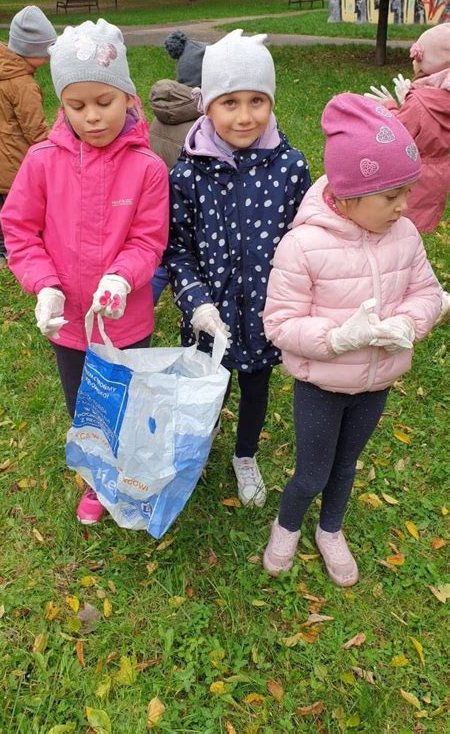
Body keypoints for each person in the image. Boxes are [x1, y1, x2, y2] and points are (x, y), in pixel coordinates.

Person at [262, 93, 441, 585]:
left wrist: (411, 321)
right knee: (313, 471)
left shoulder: (404, 235)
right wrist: (339, 338)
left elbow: (428, 292)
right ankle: (287, 524)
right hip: (320, 387)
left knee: (346, 466)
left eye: (406, 192)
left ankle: (331, 530)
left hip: (374, 383)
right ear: (347, 196)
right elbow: (279, 323)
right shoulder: (303, 246)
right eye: (392, 196)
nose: (404, 206)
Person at [0, 19, 169, 525]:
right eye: (77, 106)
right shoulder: (42, 162)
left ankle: (130, 469)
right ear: (62, 104)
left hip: (127, 319)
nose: (92, 117)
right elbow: (20, 232)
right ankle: (97, 479)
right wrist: (44, 286)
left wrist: (121, 277)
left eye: (104, 102)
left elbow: (147, 240)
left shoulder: (147, 169)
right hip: (70, 325)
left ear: (128, 96)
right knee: (85, 407)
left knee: (125, 397)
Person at [164, 29, 312, 507]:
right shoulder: (188, 172)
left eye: (256, 101)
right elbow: (176, 248)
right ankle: (195, 451)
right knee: (206, 389)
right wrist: (197, 302)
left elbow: (305, 240)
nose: (245, 116)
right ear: (207, 105)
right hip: (210, 317)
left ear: (271, 101)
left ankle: (245, 454)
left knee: (255, 388)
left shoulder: (290, 167)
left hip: (264, 315)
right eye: (230, 103)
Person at [0, 6, 56, 268]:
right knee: (20, 206)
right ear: (30, 51)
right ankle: (22, 250)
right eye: (44, 52)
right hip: (12, 155)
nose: (47, 57)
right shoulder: (23, 84)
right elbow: (36, 132)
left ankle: (2, 253)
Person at [366, 23, 450, 233]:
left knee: (398, 226)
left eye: (417, 57)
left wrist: (390, 107)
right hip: (438, 177)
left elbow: (398, 134)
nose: (413, 60)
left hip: (412, 173)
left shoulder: (420, 102)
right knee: (418, 227)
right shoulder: (440, 98)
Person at [149, 31, 207, 303]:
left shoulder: (162, 114)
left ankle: (144, 300)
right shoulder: (200, 125)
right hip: (188, 205)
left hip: (158, 200)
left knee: (162, 256)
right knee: (178, 257)